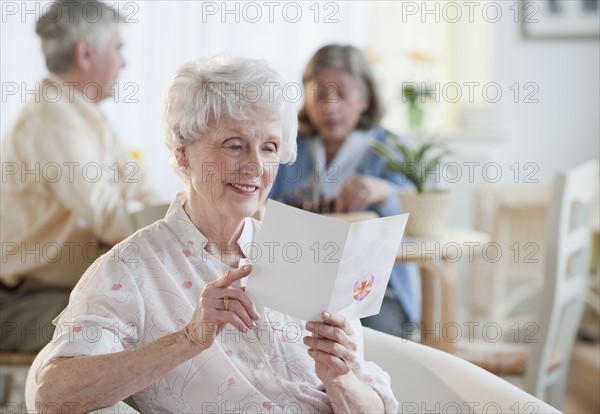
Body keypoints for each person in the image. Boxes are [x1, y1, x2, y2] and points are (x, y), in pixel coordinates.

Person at [33, 56, 399, 413]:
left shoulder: (306, 250)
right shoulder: (130, 269)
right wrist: (189, 339)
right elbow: (53, 395)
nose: (256, 166)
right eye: (234, 144)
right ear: (183, 153)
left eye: (269, 147)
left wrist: (340, 379)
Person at [0, 0, 159, 353]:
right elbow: (109, 217)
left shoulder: (85, 114)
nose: (124, 62)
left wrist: (182, 229)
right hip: (27, 300)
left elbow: (142, 195)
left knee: (162, 315)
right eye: (118, 49)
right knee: (144, 329)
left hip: (74, 289)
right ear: (86, 54)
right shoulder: (51, 119)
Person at [269, 44, 421, 338]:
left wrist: (383, 192)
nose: (330, 106)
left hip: (375, 294)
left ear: (365, 98)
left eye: (342, 94)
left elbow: (419, 217)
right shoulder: (289, 146)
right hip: (299, 285)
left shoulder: (390, 148)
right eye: (320, 95)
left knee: (374, 348)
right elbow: (263, 209)